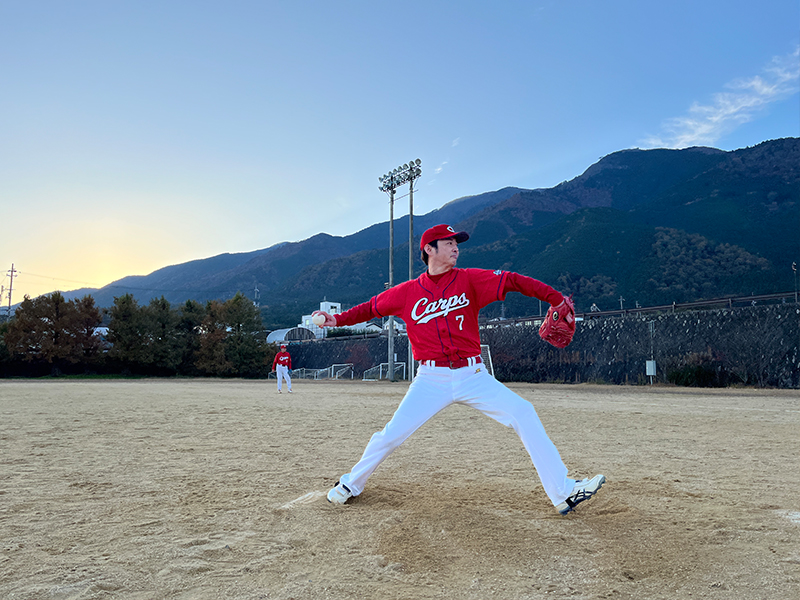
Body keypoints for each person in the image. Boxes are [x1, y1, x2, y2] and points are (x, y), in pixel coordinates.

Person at [313, 223, 605, 515]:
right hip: (430, 378)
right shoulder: (406, 292)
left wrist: (555, 298)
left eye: (457, 243)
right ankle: (350, 484)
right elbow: (369, 308)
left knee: (523, 412)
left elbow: (513, 280)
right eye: (449, 242)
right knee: (390, 435)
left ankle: (563, 492)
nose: (455, 247)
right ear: (429, 249)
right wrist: (336, 320)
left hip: (472, 375)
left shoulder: (469, 279)